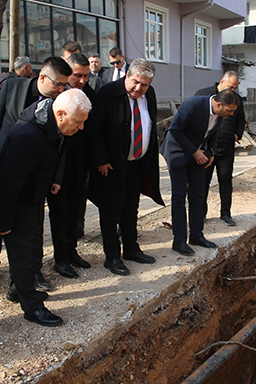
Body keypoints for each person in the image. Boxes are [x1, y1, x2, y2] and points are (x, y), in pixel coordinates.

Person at [0, 89, 92, 327]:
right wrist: (3, 222)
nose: (81, 128)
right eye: (78, 122)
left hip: (33, 197)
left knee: (30, 251)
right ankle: (32, 307)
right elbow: (7, 182)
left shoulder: (50, 124)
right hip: (16, 204)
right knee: (23, 255)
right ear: (59, 113)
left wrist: (51, 181)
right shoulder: (27, 135)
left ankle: (19, 290)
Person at [0, 57, 72, 293]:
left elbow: (62, 145)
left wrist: (57, 177)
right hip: (3, 169)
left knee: (34, 226)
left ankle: (32, 271)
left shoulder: (59, 103)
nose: (61, 90)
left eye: (64, 85)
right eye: (58, 84)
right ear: (42, 77)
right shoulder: (11, 88)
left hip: (36, 177)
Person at [89, 58, 164, 276]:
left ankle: (131, 249)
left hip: (137, 163)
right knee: (111, 209)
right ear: (127, 75)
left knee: (131, 208)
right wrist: (101, 159)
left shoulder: (148, 94)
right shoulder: (107, 93)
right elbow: (94, 130)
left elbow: (148, 123)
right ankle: (112, 256)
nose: (139, 88)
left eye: (144, 84)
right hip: (111, 165)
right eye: (135, 82)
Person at [160, 90, 239, 256]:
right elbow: (175, 131)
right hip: (178, 153)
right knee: (179, 196)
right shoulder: (193, 105)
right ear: (219, 104)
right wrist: (195, 152)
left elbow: (213, 134)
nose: (231, 114)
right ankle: (179, 241)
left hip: (198, 155)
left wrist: (211, 153)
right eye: (229, 110)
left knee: (198, 194)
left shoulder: (219, 114)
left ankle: (196, 235)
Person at [46, 52, 96, 279]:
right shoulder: (57, 98)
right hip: (58, 168)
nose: (82, 81)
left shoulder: (90, 95)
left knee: (75, 212)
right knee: (60, 214)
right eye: (77, 75)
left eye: (86, 76)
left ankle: (72, 251)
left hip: (80, 166)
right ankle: (61, 258)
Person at [194, 71, 246, 226]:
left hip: (226, 149)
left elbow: (241, 120)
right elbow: (194, 117)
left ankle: (226, 214)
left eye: (235, 88)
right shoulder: (203, 95)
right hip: (206, 150)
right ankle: (200, 214)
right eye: (231, 86)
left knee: (226, 181)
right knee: (203, 183)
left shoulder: (236, 100)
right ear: (222, 81)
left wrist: (236, 135)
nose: (233, 91)